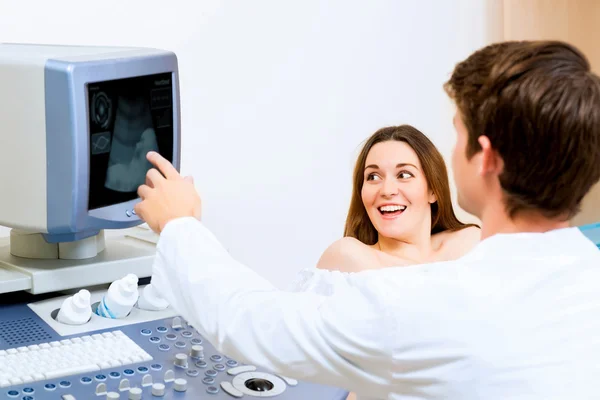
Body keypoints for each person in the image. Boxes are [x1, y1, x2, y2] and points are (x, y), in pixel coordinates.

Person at [134, 40, 600, 399]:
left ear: (485, 158)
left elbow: (251, 323)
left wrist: (180, 223)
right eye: (374, 176)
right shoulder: (587, 277)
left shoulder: (429, 306)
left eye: (457, 134)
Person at [317, 124, 480, 273]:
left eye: (404, 175)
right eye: (373, 177)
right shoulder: (348, 257)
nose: (387, 191)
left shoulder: (469, 244)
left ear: (433, 190)